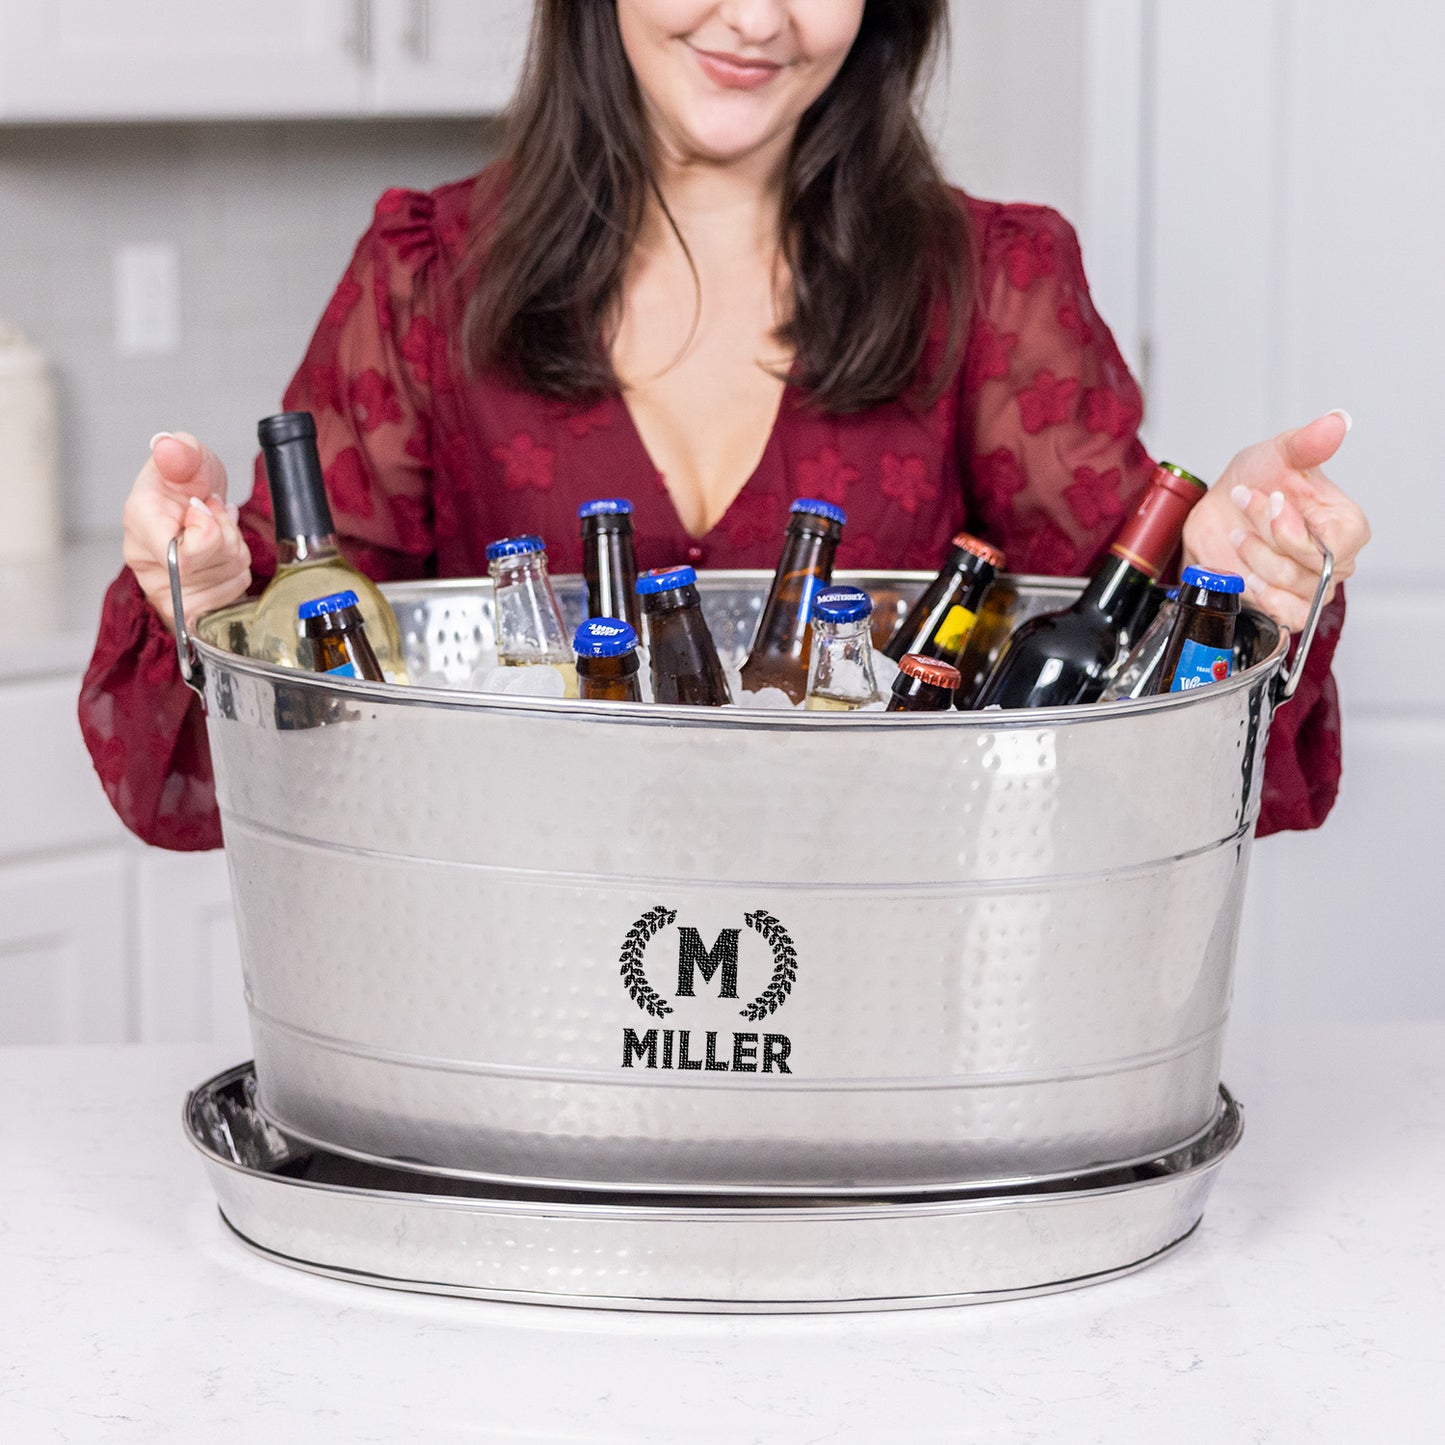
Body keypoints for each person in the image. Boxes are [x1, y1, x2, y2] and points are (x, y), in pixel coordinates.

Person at [80, 0, 1370, 852]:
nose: (757, 17)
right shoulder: (424, 284)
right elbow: (236, 749)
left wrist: (1232, 563)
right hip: (517, 1013)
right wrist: (194, 587)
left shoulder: (993, 289)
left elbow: (1149, 712)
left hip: (886, 1026)